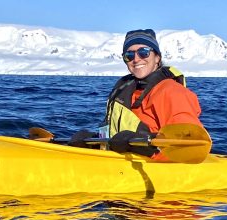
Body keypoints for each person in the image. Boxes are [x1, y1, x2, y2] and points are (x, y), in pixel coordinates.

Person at [70, 29, 203, 161]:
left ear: (157, 57)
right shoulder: (125, 90)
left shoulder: (172, 92)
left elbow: (189, 148)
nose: (136, 59)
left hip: (155, 170)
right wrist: (94, 142)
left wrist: (141, 147)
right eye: (129, 55)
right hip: (121, 166)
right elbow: (118, 138)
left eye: (144, 52)